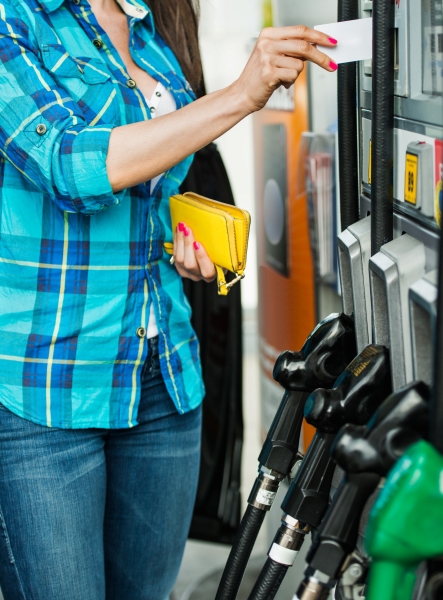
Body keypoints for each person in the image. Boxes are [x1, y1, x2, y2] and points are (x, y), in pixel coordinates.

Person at [0, 0, 336, 598]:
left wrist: (185, 237)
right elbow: (70, 165)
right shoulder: (15, 18)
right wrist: (241, 93)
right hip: (45, 390)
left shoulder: (150, 21)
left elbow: (153, 185)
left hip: (163, 377)